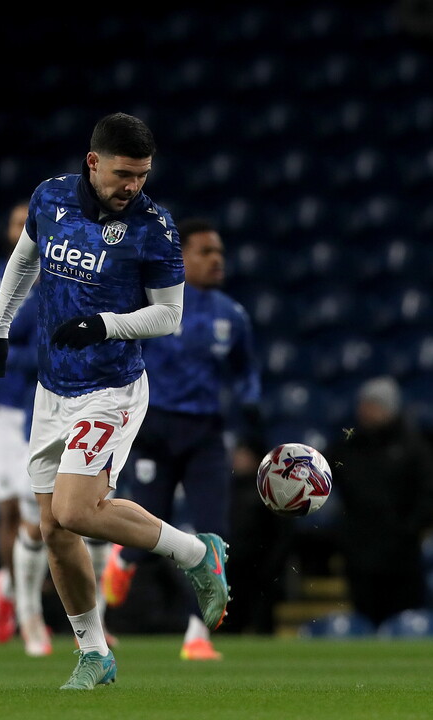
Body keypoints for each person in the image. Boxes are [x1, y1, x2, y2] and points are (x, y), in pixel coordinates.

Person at [0, 112, 231, 690]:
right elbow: (26, 259)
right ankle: (94, 654)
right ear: (93, 162)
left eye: (142, 175)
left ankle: (196, 552)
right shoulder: (49, 198)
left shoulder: (156, 227)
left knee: (74, 510)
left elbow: (169, 316)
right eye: (124, 174)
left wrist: (104, 325)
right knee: (53, 529)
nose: (133, 186)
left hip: (112, 390)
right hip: (51, 389)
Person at [100, 217, 261, 660]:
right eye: (206, 252)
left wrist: (251, 415)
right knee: (148, 528)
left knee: (215, 532)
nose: (216, 261)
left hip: (206, 434)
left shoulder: (232, 315)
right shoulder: (154, 305)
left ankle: (197, 635)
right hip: (154, 430)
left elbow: (247, 375)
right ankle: (116, 574)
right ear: (182, 257)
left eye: (220, 253)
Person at [0, 201, 53, 656]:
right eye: (17, 221)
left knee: (40, 512)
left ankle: (9, 585)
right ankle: (16, 599)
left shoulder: (65, 281)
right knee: (11, 507)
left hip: (41, 403)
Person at [325, 376, 433, 629]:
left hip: (401, 557)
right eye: (364, 404)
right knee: (365, 621)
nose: (365, 411)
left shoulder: (413, 448)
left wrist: (407, 530)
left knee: (404, 622)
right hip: (359, 554)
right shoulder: (348, 446)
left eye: (373, 404)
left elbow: (431, 494)